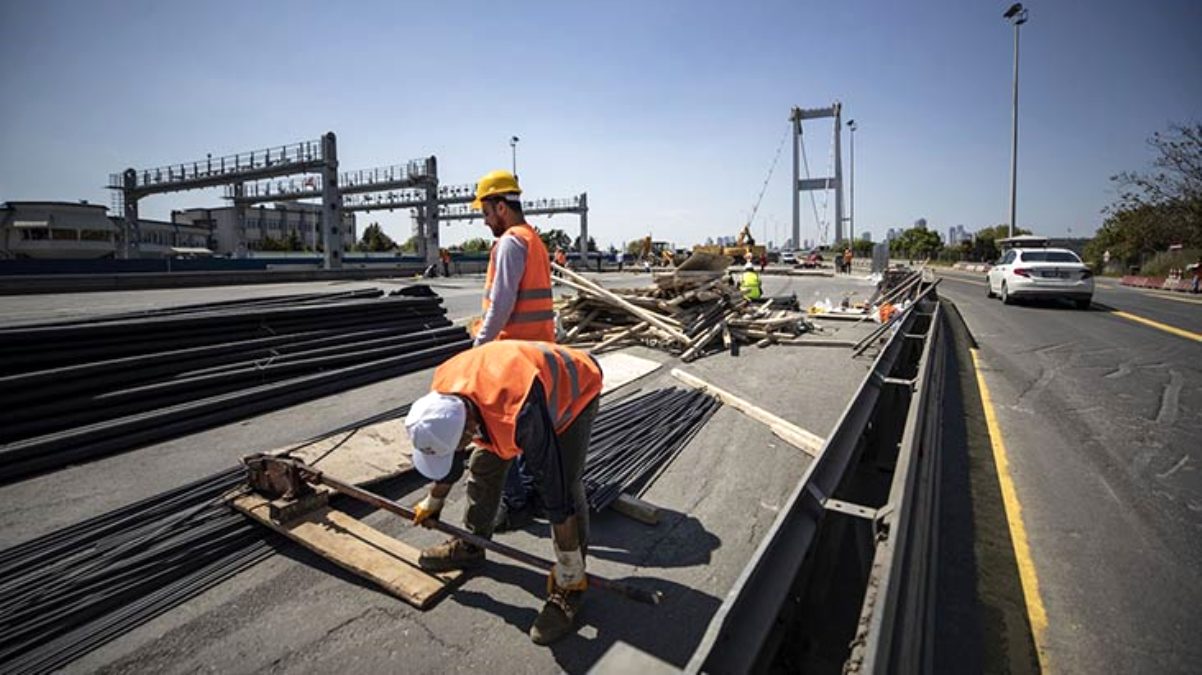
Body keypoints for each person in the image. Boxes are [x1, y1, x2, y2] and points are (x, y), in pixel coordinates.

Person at [404, 341, 603, 645]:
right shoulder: (442, 398)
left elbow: (554, 490)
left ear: (470, 428)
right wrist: (435, 499)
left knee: (567, 483)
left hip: (573, 392)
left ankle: (572, 583)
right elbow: (453, 456)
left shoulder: (519, 414)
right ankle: (473, 543)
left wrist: (567, 560)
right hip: (505, 390)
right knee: (483, 465)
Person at [469, 170, 557, 531]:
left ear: (501, 206)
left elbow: (501, 304)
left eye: (486, 212)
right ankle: (530, 490)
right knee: (527, 429)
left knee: (495, 433)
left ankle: (512, 499)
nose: (485, 220)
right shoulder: (533, 239)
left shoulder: (509, 242)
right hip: (536, 352)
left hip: (510, 356)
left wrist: (478, 348)